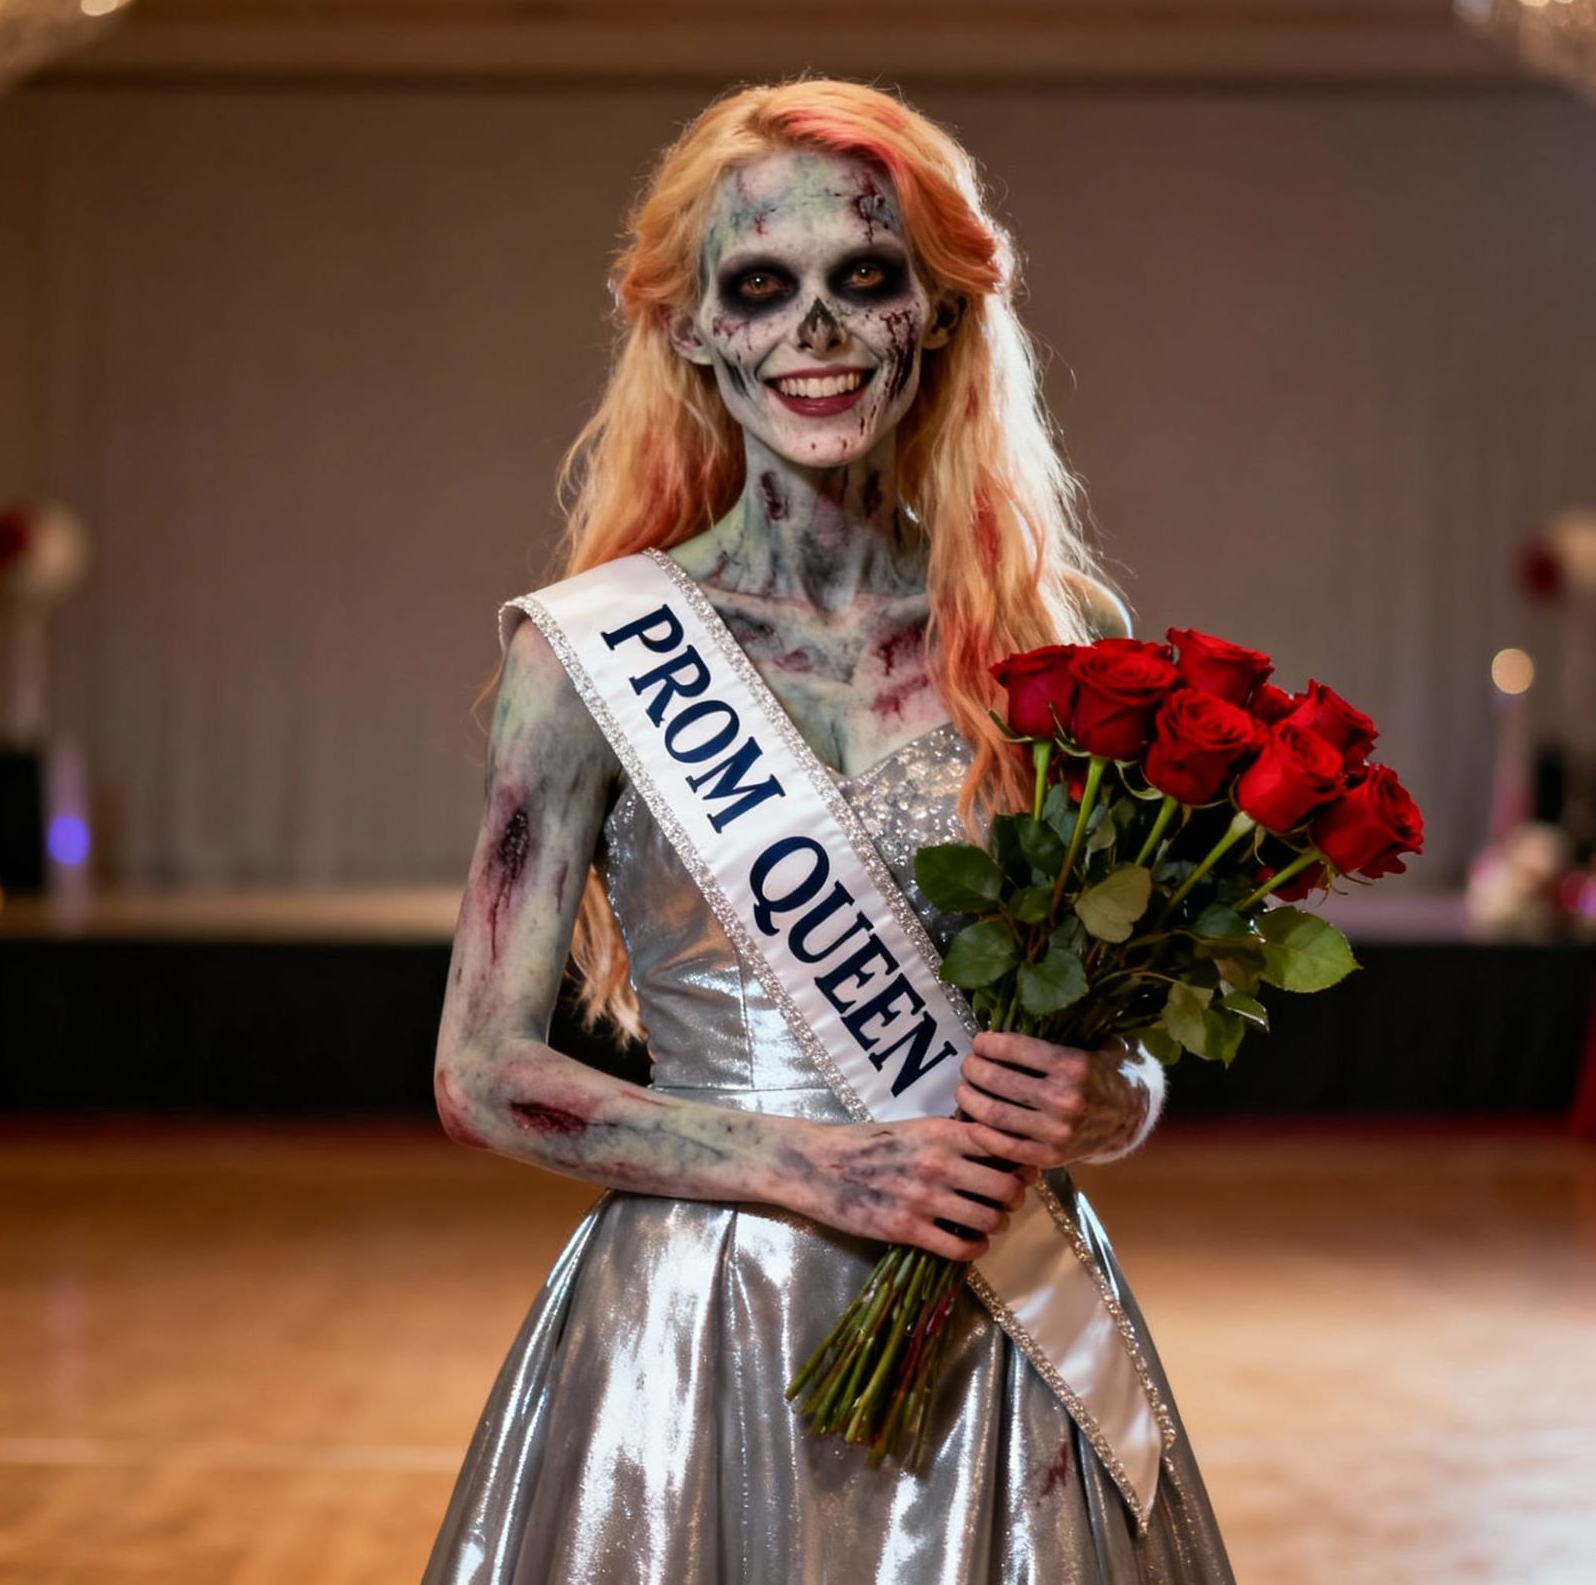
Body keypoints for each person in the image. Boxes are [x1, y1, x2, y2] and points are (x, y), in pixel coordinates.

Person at [424, 79, 1234, 1584]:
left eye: (865, 279)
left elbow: (1122, 1063)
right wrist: (815, 1168)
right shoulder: (587, 660)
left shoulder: (1059, 647)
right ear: (691, 328)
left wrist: (1105, 1104)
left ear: (936, 313)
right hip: (693, 1330)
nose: (815, 331)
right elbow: (481, 1074)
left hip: (997, 1324)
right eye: (760, 287)